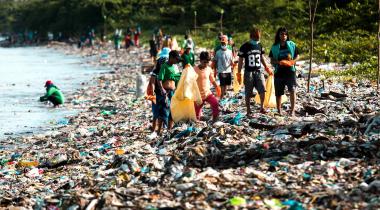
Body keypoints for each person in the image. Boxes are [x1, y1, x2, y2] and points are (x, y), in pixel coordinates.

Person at [237, 27, 273, 116]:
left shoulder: (259, 45)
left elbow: (262, 58)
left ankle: (262, 107)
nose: (258, 38)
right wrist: (238, 72)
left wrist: (267, 68)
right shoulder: (245, 46)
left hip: (258, 70)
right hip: (248, 71)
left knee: (262, 89)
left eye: (259, 36)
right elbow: (240, 60)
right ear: (252, 36)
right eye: (257, 36)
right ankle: (248, 110)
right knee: (248, 92)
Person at [269, 27, 300, 116]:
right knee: (278, 92)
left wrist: (293, 62)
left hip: (290, 71)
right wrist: (279, 62)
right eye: (282, 34)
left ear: (287, 35)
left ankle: (292, 110)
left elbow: (297, 55)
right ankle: (279, 110)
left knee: (292, 90)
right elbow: (271, 60)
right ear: (278, 35)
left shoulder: (292, 45)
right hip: (279, 71)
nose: (284, 36)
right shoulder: (274, 47)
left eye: (285, 34)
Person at [155, 50, 182, 136]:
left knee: (172, 112)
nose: (177, 61)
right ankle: (159, 130)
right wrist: (162, 89)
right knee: (164, 112)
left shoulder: (174, 67)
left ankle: (169, 130)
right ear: (171, 58)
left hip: (173, 92)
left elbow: (176, 78)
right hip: (166, 92)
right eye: (176, 59)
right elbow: (159, 79)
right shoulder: (164, 66)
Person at [146, 48, 171, 139]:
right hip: (157, 95)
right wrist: (152, 92)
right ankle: (153, 129)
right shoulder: (156, 72)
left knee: (162, 113)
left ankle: (159, 131)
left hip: (165, 95)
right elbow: (152, 83)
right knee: (156, 113)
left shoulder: (167, 71)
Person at [194, 51, 221, 122]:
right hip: (198, 96)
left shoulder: (209, 69)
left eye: (207, 62)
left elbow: (212, 80)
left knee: (215, 104)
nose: (206, 64)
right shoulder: (194, 70)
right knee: (197, 113)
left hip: (207, 93)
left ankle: (215, 122)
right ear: (200, 60)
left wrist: (217, 87)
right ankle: (198, 124)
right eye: (204, 62)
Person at [213, 35, 234, 99]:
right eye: (222, 42)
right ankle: (221, 96)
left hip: (228, 70)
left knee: (226, 85)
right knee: (222, 84)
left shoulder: (230, 49)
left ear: (227, 42)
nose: (223, 44)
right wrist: (215, 70)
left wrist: (233, 64)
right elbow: (215, 60)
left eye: (224, 42)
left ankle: (223, 95)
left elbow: (231, 59)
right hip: (221, 70)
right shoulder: (217, 50)